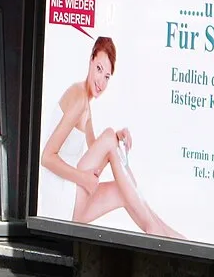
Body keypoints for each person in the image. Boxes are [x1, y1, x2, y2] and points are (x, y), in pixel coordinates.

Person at [39, 36, 183, 238]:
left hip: (70, 199)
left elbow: (95, 149)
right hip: (61, 201)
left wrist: (116, 137)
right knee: (108, 137)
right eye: (99, 69)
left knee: (124, 192)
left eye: (107, 76)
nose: (101, 81)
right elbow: (47, 157)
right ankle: (156, 230)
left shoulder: (86, 103)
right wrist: (85, 178)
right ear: (90, 60)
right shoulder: (79, 98)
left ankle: (170, 236)